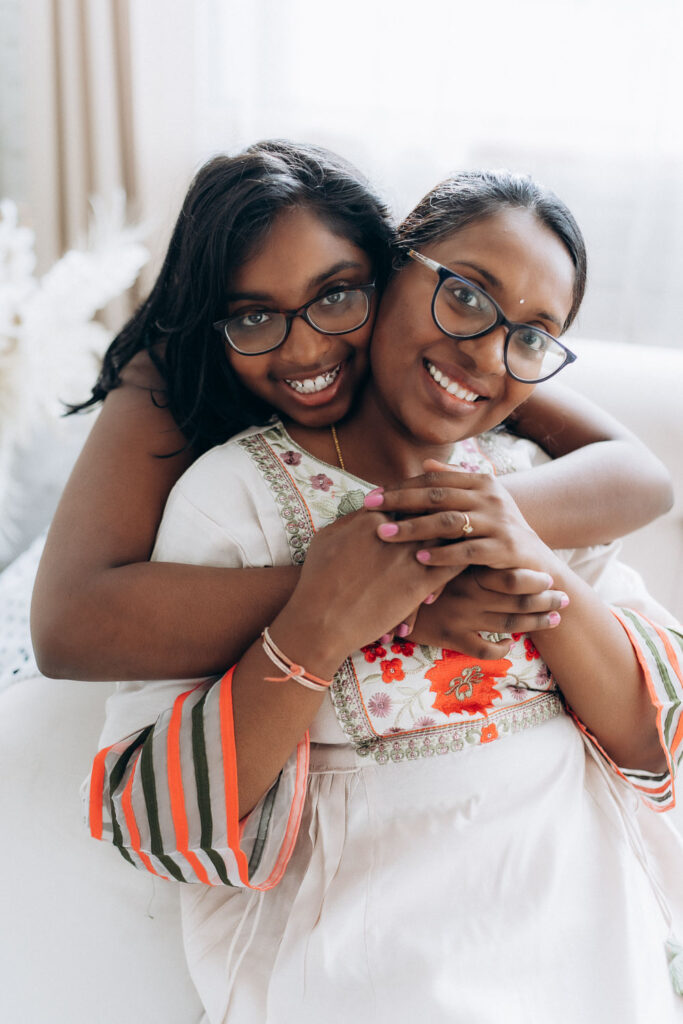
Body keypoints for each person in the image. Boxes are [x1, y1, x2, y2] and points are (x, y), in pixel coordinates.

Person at [89, 170, 683, 1023]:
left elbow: (653, 744)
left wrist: (523, 554)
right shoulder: (234, 499)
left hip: (582, 936)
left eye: (531, 335)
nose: (483, 351)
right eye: (466, 296)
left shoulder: (529, 480)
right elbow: (165, 822)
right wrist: (322, 627)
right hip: (369, 962)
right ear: (388, 273)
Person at [26, 141, 672, 686]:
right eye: (253, 316)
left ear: (389, 278)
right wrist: (399, 598)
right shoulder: (173, 370)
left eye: (336, 295)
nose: (305, 348)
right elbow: (66, 628)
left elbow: (640, 478)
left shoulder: (461, 361)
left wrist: (452, 530)